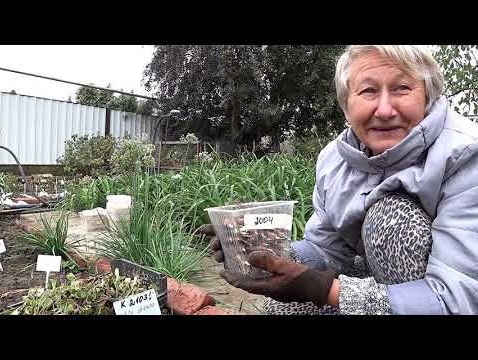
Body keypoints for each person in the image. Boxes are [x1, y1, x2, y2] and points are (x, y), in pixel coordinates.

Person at [201, 45, 478, 315]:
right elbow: (327, 250)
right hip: (373, 282)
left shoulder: (464, 154)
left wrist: (327, 291)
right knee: (283, 307)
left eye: (401, 88)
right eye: (368, 90)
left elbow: (459, 298)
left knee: (391, 219)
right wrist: (263, 251)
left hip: (443, 296)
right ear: (346, 107)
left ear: (427, 98)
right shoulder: (334, 160)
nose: (384, 110)